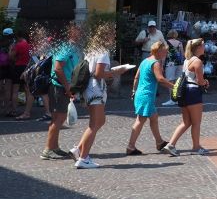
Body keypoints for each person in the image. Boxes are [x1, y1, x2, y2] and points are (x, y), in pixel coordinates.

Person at [72, 22, 131, 168]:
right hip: (95, 88)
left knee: (99, 121)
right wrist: (118, 71)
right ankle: (83, 158)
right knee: (94, 124)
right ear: (106, 37)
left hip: (90, 88)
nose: (114, 37)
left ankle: (79, 149)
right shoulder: (103, 52)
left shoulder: (92, 50)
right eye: (112, 35)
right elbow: (99, 74)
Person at [40, 23, 82, 161]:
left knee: (57, 118)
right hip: (60, 87)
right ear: (70, 32)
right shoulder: (67, 47)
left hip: (61, 86)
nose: (81, 33)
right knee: (59, 118)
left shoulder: (71, 47)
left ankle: (54, 147)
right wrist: (67, 86)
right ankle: (47, 150)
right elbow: (58, 68)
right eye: (78, 30)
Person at [164, 38, 211, 156]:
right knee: (196, 122)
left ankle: (171, 144)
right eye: (203, 46)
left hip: (184, 92)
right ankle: (196, 147)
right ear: (198, 48)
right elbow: (200, 81)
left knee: (186, 122)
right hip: (193, 92)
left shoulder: (187, 60)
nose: (204, 48)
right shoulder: (198, 62)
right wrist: (206, 82)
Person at [126, 42, 174, 155]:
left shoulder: (145, 61)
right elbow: (160, 79)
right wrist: (174, 86)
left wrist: (134, 91)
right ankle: (130, 146)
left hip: (140, 94)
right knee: (140, 120)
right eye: (165, 51)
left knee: (154, 118)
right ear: (158, 51)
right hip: (146, 95)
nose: (166, 53)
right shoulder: (155, 63)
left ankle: (159, 142)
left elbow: (136, 77)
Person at [8, 29, 30, 117]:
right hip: (26, 67)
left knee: (15, 90)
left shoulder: (18, 45)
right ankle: (27, 111)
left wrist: (10, 50)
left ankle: (14, 110)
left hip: (18, 66)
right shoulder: (28, 45)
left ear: (19, 37)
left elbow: (11, 57)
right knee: (27, 90)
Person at [162, 29, 184, 107]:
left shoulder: (166, 43)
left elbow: (164, 55)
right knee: (178, 81)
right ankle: (177, 99)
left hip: (170, 64)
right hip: (180, 64)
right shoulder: (180, 43)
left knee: (170, 81)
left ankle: (172, 99)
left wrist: (162, 65)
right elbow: (182, 54)